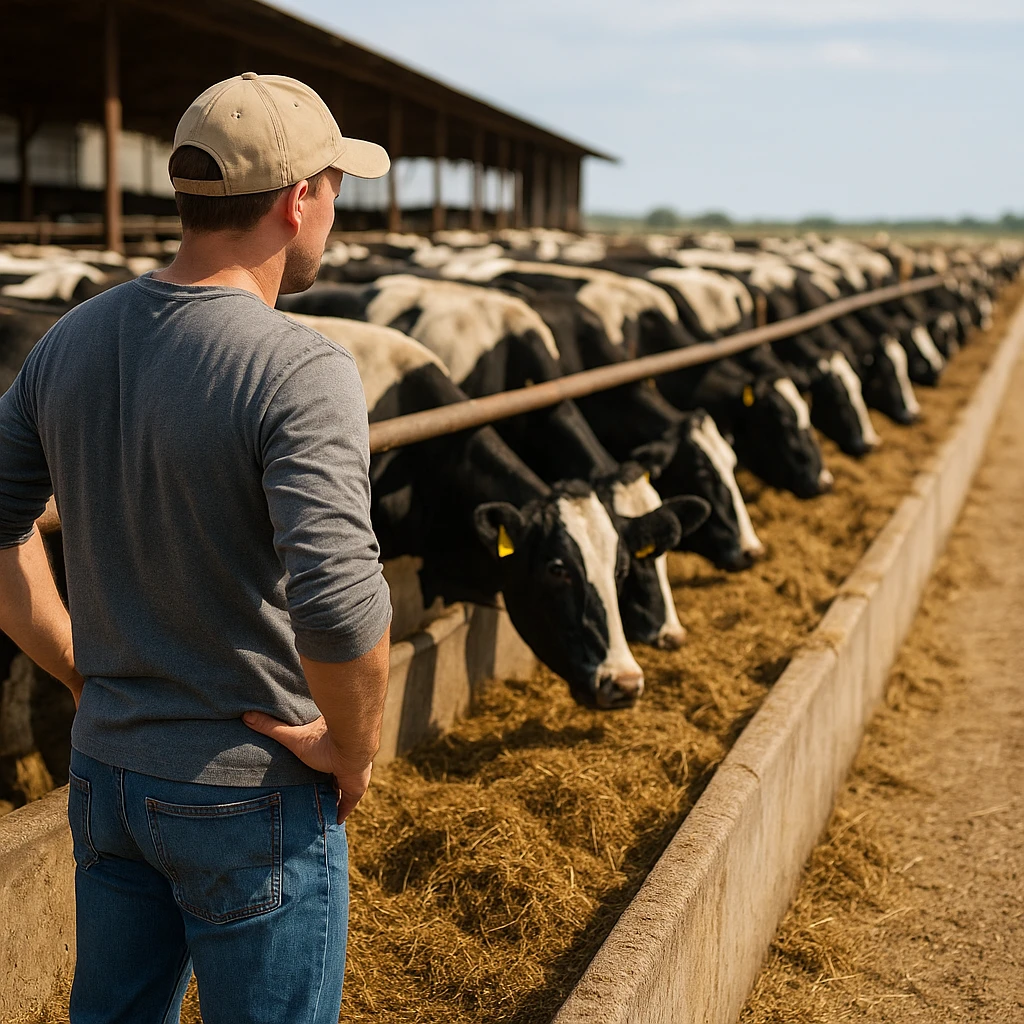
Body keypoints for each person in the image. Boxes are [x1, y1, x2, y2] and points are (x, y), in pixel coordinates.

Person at [0, 73, 394, 1023]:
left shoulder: (71, 340)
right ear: (298, 199)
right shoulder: (302, 366)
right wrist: (351, 744)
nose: (333, 211)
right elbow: (339, 605)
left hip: (106, 782)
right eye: (335, 187)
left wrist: (79, 674)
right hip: (247, 792)